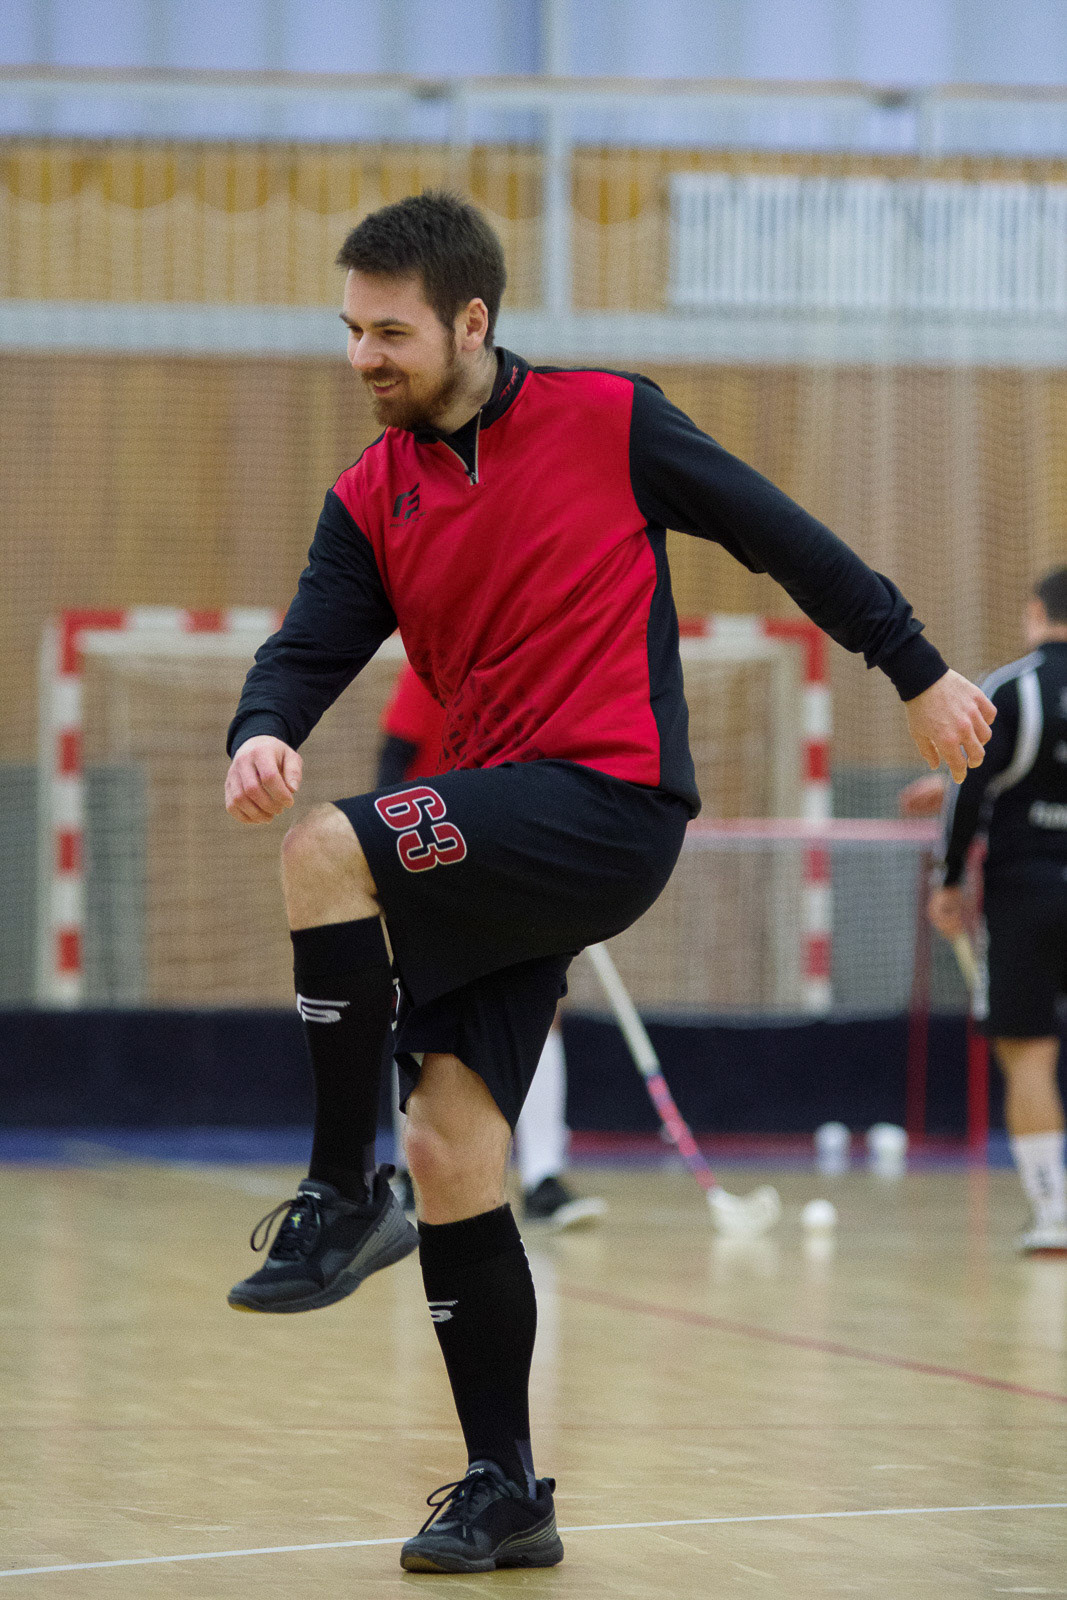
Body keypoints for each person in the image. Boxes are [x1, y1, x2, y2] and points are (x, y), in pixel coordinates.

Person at [222, 191, 994, 1574]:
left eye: (388, 333)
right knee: (455, 1145)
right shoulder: (370, 497)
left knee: (327, 848)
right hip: (501, 832)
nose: (361, 358)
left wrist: (915, 666)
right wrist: (260, 729)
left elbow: (784, 537)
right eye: (350, 331)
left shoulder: (609, 419)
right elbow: (304, 648)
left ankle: (340, 1190)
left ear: (470, 320)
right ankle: (506, 1489)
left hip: (610, 801)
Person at [378, 664, 606, 1229]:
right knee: (421, 1012)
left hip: (518, 857)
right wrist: (391, 854)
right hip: (434, 860)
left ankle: (543, 1178)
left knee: (543, 1010)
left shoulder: (540, 676)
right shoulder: (434, 669)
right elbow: (393, 757)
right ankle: (411, 1175)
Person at [923, 568, 1067, 1255]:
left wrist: (949, 880)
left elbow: (969, 786)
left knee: (1029, 1056)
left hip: (1025, 896)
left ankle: (1052, 1214)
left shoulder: (1010, 689)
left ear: (1036, 612)